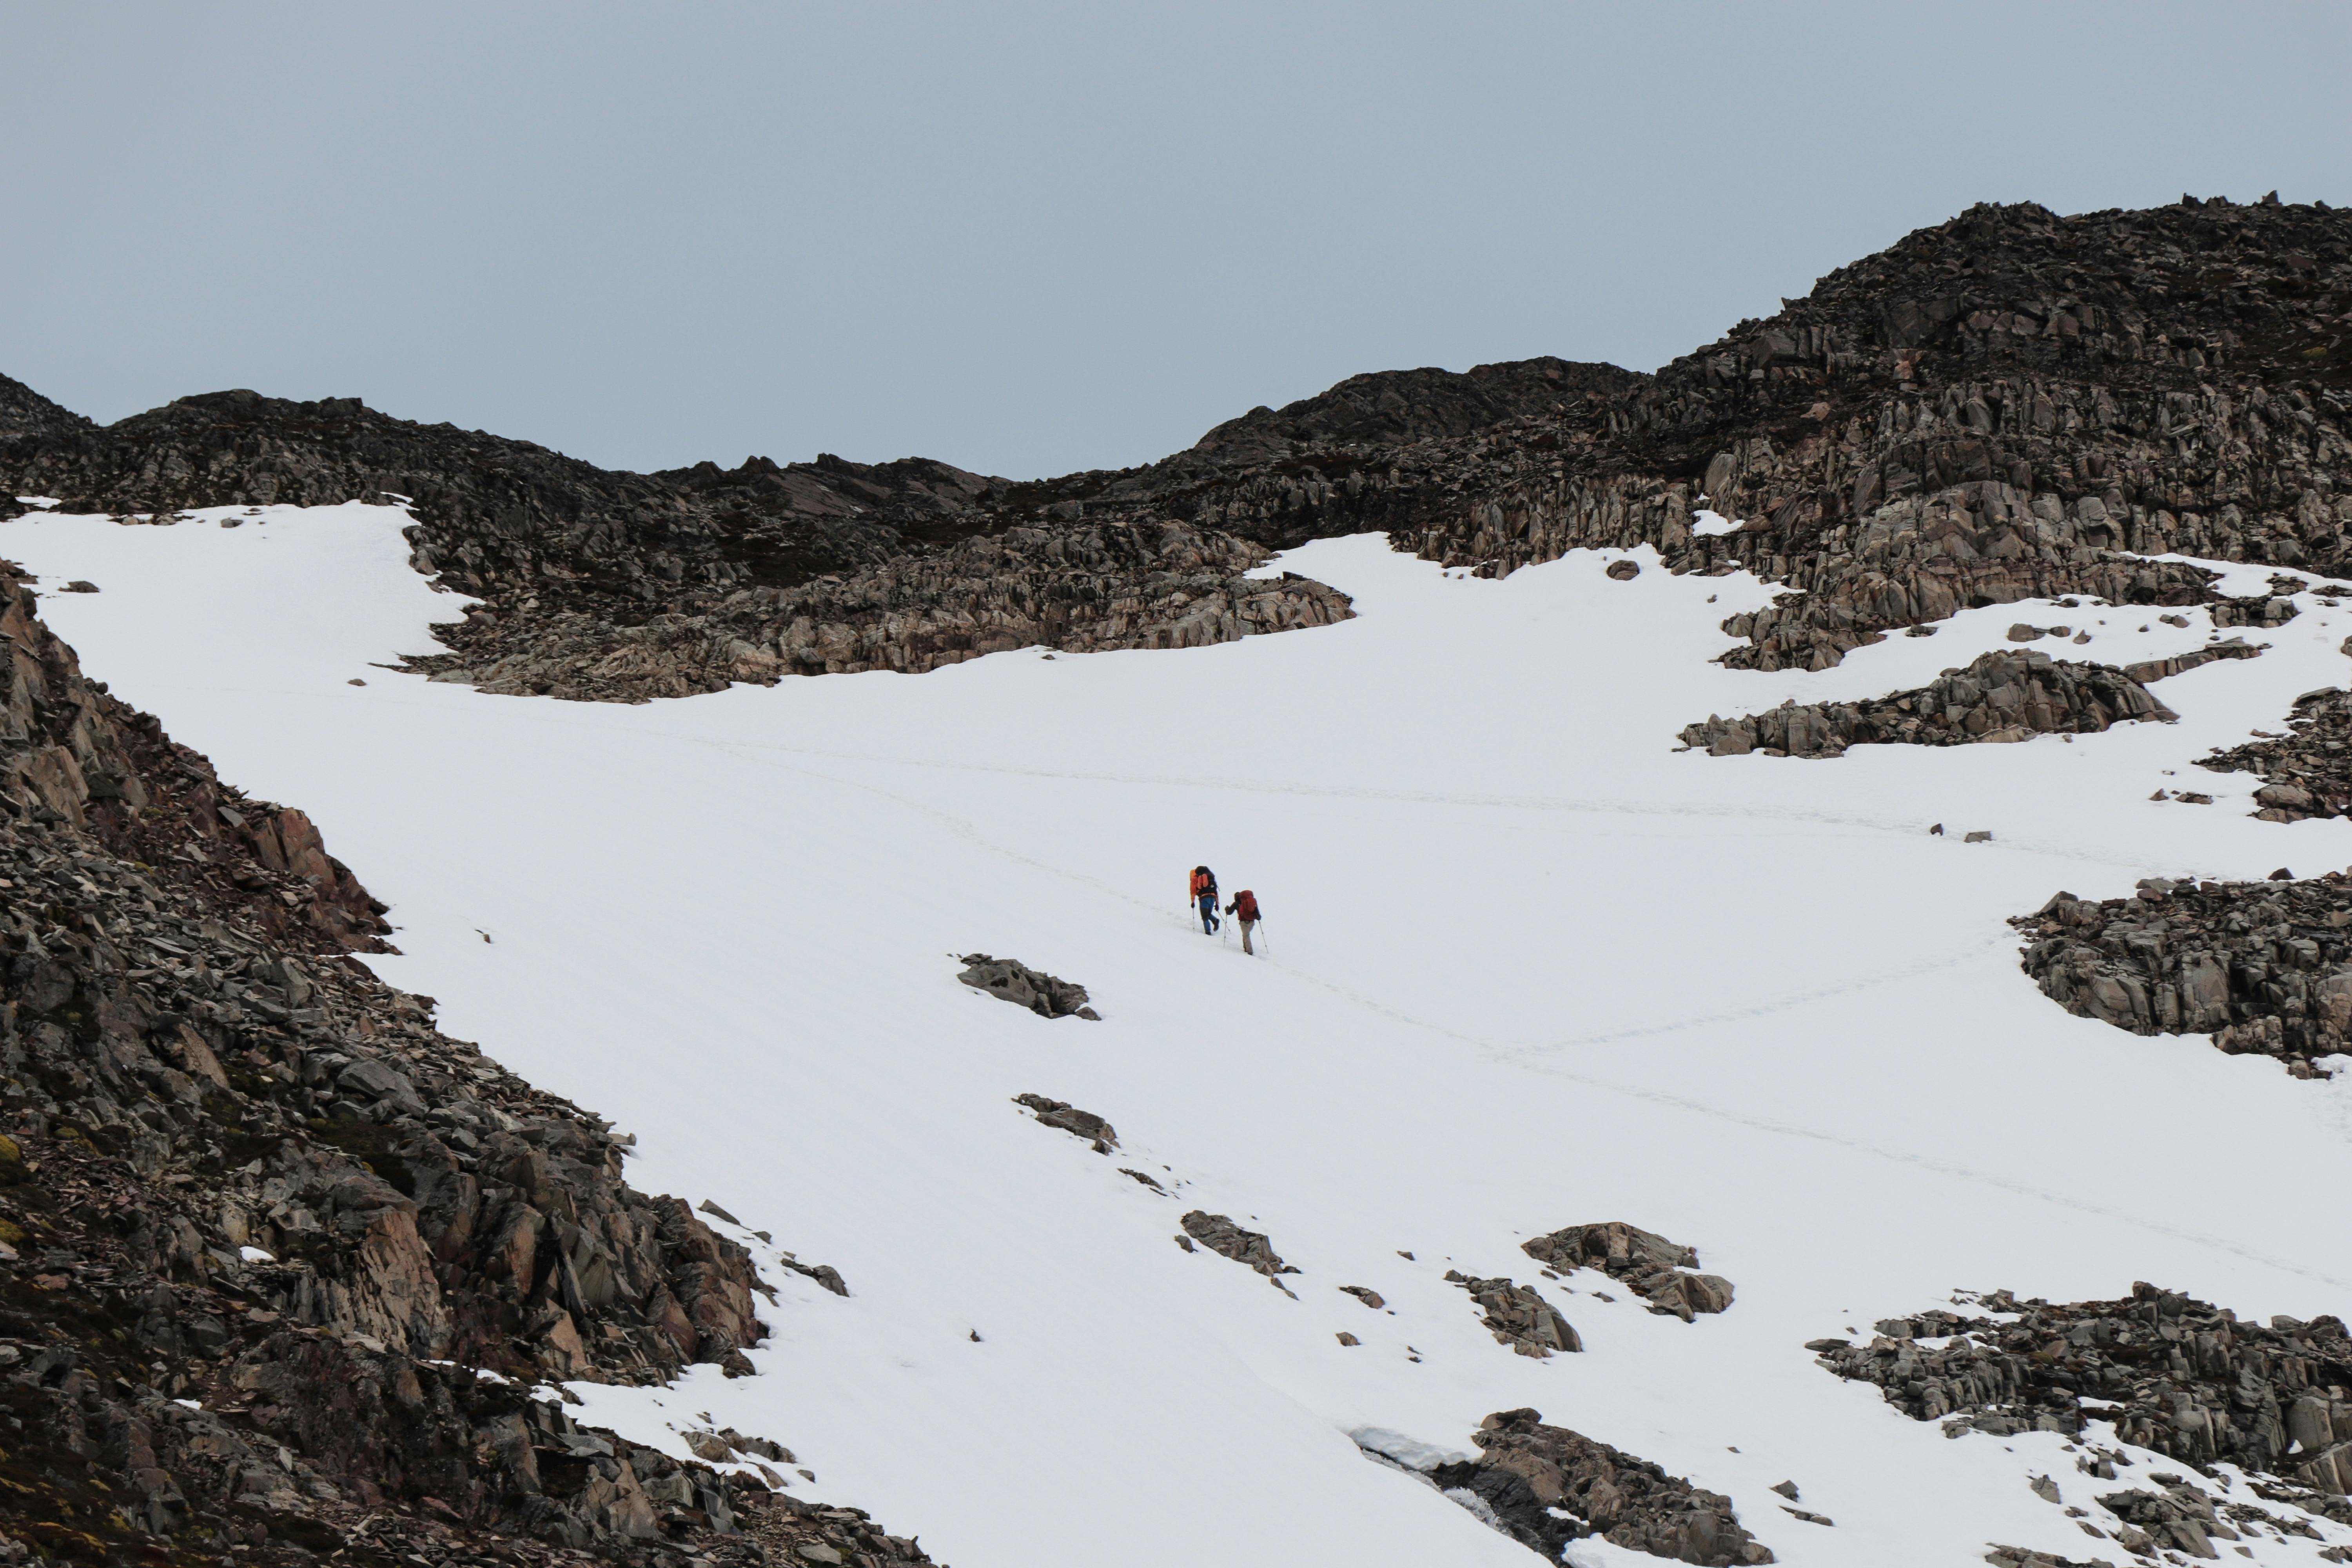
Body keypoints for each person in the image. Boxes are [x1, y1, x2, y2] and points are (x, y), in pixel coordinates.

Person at [1224, 888, 1261, 955]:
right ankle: (1246, 948)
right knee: (1246, 935)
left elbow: (1229, 912)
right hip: (1252, 922)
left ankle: (1250, 951)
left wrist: (1227, 909)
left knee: (1246, 935)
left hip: (1244, 922)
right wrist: (1259, 917)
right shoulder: (1251, 901)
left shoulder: (1236, 903)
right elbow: (1256, 909)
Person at [1189, 866, 1220, 934]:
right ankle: (1215, 921)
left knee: (1205, 916)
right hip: (1213, 898)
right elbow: (1216, 890)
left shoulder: (1195, 879)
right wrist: (1217, 904)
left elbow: (1193, 891)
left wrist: (1193, 902)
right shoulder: (1211, 877)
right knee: (1208, 914)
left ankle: (1208, 932)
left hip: (1204, 898)